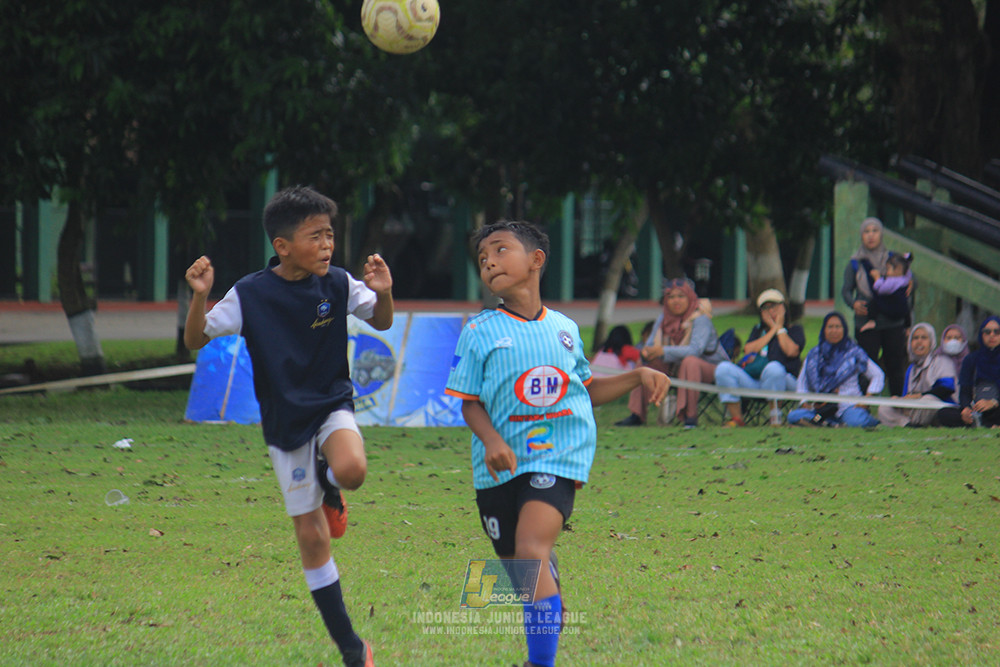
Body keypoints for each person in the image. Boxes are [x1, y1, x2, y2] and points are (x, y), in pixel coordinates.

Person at [444, 221, 669, 667]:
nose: (489, 261)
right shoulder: (479, 331)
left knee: (530, 552)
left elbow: (583, 389)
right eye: (482, 258)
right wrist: (491, 441)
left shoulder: (565, 329)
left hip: (557, 456)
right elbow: (469, 404)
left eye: (500, 250)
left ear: (536, 260)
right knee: (520, 572)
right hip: (497, 467)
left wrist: (637, 376)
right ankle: (549, 577)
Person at [183, 186, 391, 667]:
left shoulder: (337, 282)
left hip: (332, 403)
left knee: (353, 469)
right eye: (315, 236)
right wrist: (199, 298)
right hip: (284, 421)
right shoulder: (250, 293)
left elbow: (380, 321)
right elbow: (196, 339)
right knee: (313, 538)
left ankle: (331, 485)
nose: (327, 245)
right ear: (282, 246)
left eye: (330, 235)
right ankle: (351, 648)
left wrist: (385, 293)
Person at [616, 278, 727, 428]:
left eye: (681, 296)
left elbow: (695, 350)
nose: (676, 301)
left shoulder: (700, 320)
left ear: (690, 298)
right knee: (644, 365)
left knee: (690, 361)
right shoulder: (663, 318)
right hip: (676, 366)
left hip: (711, 368)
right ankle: (637, 415)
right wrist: (647, 353)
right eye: (671, 297)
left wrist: (662, 350)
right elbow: (649, 345)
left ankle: (690, 417)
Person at [713, 289, 805, 426]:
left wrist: (779, 328)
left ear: (783, 308)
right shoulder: (758, 330)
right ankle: (736, 419)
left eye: (774, 306)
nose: (771, 311)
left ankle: (775, 418)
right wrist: (772, 329)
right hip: (757, 380)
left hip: (785, 381)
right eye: (766, 308)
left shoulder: (795, 330)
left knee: (773, 368)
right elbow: (748, 349)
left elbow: (791, 351)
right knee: (723, 369)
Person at [841, 217, 909, 395]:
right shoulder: (855, 263)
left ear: (881, 234)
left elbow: (910, 278)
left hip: (892, 321)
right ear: (861, 236)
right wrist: (853, 303)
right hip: (865, 321)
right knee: (866, 365)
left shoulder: (893, 260)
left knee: (895, 364)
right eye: (866, 231)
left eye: (875, 231)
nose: (871, 236)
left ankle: (897, 404)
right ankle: (864, 404)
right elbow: (846, 290)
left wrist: (910, 284)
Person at [787, 312, 883, 428]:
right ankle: (829, 423)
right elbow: (802, 381)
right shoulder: (814, 354)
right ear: (824, 330)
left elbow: (877, 374)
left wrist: (867, 399)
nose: (834, 331)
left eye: (838, 327)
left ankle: (824, 423)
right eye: (830, 327)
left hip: (848, 406)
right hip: (821, 407)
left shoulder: (854, 353)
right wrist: (804, 402)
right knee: (793, 416)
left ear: (844, 329)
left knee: (856, 421)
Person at [876, 323, 956, 426]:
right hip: (914, 408)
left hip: (937, 408)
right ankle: (908, 425)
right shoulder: (911, 368)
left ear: (931, 341)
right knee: (884, 408)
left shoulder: (941, 361)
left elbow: (947, 388)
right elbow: (906, 395)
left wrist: (919, 396)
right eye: (915, 338)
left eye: (924, 338)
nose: (919, 341)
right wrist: (899, 400)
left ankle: (914, 423)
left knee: (929, 400)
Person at [937, 316, 1000, 428]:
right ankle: (983, 423)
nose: (992, 335)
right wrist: (966, 408)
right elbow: (965, 390)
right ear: (981, 334)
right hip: (977, 408)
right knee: (943, 413)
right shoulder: (971, 360)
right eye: (987, 332)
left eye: (997, 332)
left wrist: (993, 402)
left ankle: (984, 423)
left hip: (996, 407)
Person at [859, 253, 913, 332]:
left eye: (888, 269)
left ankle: (871, 320)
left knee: (875, 302)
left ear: (897, 269)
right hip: (903, 311)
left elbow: (880, 289)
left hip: (892, 310)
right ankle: (908, 326)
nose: (886, 272)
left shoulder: (892, 281)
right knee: (906, 306)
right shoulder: (905, 278)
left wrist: (877, 278)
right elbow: (908, 271)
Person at [934, 323, 970, 394]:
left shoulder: (970, 361)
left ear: (963, 341)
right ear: (943, 340)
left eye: (957, 338)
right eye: (949, 338)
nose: (953, 341)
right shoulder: (935, 359)